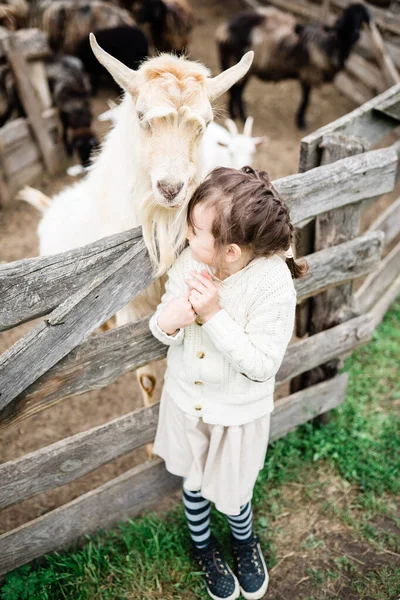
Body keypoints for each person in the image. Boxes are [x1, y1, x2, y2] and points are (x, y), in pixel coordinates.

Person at [149, 166, 307, 600]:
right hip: (187, 402)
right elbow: (163, 321)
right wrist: (169, 320)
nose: (186, 233)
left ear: (231, 250)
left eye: (196, 230)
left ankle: (244, 539)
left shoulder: (272, 284)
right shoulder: (189, 262)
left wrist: (214, 316)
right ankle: (203, 547)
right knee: (194, 484)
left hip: (237, 414)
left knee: (235, 492)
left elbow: (261, 364)